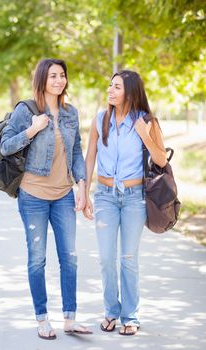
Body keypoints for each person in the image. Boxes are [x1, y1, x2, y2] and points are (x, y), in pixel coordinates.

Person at [0, 58, 92, 339]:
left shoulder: (70, 112)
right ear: (42, 79)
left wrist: (82, 185)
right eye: (53, 76)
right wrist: (32, 129)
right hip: (33, 196)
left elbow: (76, 150)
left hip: (63, 194)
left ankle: (70, 318)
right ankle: (42, 319)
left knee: (70, 257)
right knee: (37, 259)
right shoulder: (25, 110)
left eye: (62, 75)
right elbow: (5, 147)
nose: (59, 80)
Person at [83, 70, 166, 335]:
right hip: (106, 196)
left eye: (116, 86)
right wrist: (83, 191)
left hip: (134, 199)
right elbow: (90, 157)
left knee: (128, 258)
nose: (110, 90)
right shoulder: (100, 119)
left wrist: (145, 134)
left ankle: (130, 316)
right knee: (106, 258)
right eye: (110, 85)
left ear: (130, 91)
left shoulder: (147, 121)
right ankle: (111, 311)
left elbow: (161, 160)